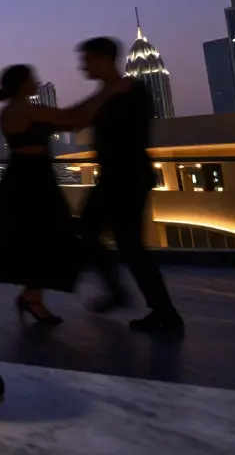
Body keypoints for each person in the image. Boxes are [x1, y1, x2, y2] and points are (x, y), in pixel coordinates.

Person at [0, 64, 116, 324]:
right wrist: (106, 91)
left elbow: (72, 118)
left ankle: (32, 296)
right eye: (31, 78)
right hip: (32, 178)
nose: (36, 81)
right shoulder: (26, 109)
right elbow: (74, 119)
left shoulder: (11, 110)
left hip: (26, 176)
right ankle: (32, 297)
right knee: (46, 234)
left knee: (38, 236)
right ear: (22, 83)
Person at [77, 37, 184, 334]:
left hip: (124, 177)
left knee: (101, 236)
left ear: (102, 58)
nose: (82, 65)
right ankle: (160, 310)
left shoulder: (129, 90)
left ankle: (147, 305)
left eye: (87, 59)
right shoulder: (112, 91)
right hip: (119, 176)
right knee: (123, 243)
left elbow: (99, 125)